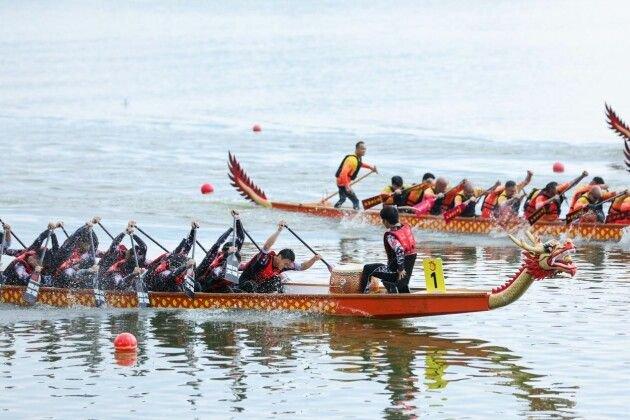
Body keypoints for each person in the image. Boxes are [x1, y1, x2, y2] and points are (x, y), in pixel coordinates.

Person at [238, 221, 321, 293]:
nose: (286, 266)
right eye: (285, 263)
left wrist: (314, 259)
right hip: (245, 284)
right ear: (279, 257)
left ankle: (280, 299)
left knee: (276, 280)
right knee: (251, 285)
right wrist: (279, 230)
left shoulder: (285, 265)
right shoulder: (265, 259)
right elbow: (267, 246)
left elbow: (302, 267)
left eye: (287, 265)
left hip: (259, 287)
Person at [358, 206, 417, 294]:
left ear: (385, 221)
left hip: (394, 273)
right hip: (405, 275)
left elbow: (399, 249)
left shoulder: (391, 236)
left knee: (367, 269)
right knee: (393, 278)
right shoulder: (405, 229)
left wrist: (400, 269)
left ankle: (360, 296)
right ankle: (400, 293)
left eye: (383, 220)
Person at [196, 211, 245, 293]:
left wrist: (237, 219)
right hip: (206, 286)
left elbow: (241, 237)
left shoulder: (234, 255)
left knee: (237, 287)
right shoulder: (214, 256)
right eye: (228, 252)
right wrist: (231, 229)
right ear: (223, 251)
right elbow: (218, 243)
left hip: (223, 285)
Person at [143, 221, 198, 292]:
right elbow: (171, 275)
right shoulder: (163, 271)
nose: (184, 256)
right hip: (155, 287)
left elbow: (187, 245)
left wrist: (193, 230)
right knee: (175, 285)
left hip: (171, 281)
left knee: (196, 285)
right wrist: (185, 266)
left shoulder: (178, 258)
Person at [51, 218, 100, 288]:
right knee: (69, 272)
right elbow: (74, 237)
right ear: (79, 242)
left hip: (77, 278)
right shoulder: (68, 250)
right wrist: (85, 227)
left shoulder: (87, 255)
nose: (87, 246)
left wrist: (91, 229)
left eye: (88, 244)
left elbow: (95, 242)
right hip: (60, 279)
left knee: (92, 274)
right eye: (85, 243)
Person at [523, 171, 589, 222]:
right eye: (555, 189)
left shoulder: (557, 190)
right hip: (534, 220)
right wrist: (552, 199)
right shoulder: (541, 196)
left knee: (576, 215)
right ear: (550, 190)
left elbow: (572, 183)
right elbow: (538, 206)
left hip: (552, 220)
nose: (558, 190)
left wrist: (582, 176)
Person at [101, 222, 148, 291]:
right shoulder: (117, 268)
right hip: (111, 283)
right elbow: (120, 284)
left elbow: (144, 247)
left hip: (128, 279)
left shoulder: (141, 260)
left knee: (141, 280)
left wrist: (133, 235)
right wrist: (124, 232)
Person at [334, 141, 377, 209]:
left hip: (340, 182)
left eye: (365, 149)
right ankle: (356, 213)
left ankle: (335, 209)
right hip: (343, 183)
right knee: (356, 201)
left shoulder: (356, 158)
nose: (364, 151)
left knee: (343, 199)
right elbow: (343, 174)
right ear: (357, 149)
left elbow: (359, 164)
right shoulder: (352, 160)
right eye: (362, 149)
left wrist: (370, 167)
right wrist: (347, 186)